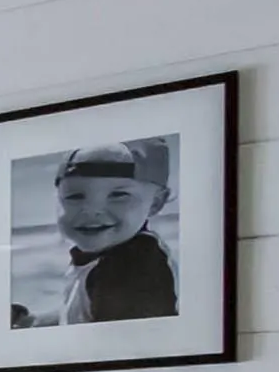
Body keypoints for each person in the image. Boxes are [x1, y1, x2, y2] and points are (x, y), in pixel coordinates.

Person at [43, 139, 178, 325]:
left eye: (118, 195)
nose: (91, 210)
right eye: (74, 196)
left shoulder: (133, 267)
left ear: (155, 203)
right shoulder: (107, 255)